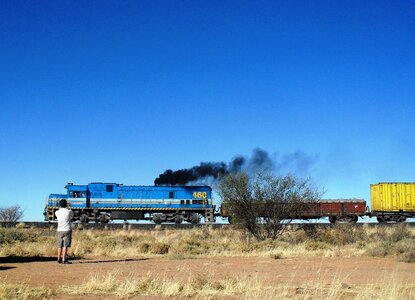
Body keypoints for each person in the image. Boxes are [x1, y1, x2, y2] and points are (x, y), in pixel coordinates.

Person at [55, 199, 74, 264]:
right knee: (65, 245)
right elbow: (71, 217)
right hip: (67, 230)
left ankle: (58, 259)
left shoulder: (56, 212)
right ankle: (64, 259)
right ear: (66, 204)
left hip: (59, 230)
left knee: (59, 245)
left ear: (60, 205)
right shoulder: (69, 211)